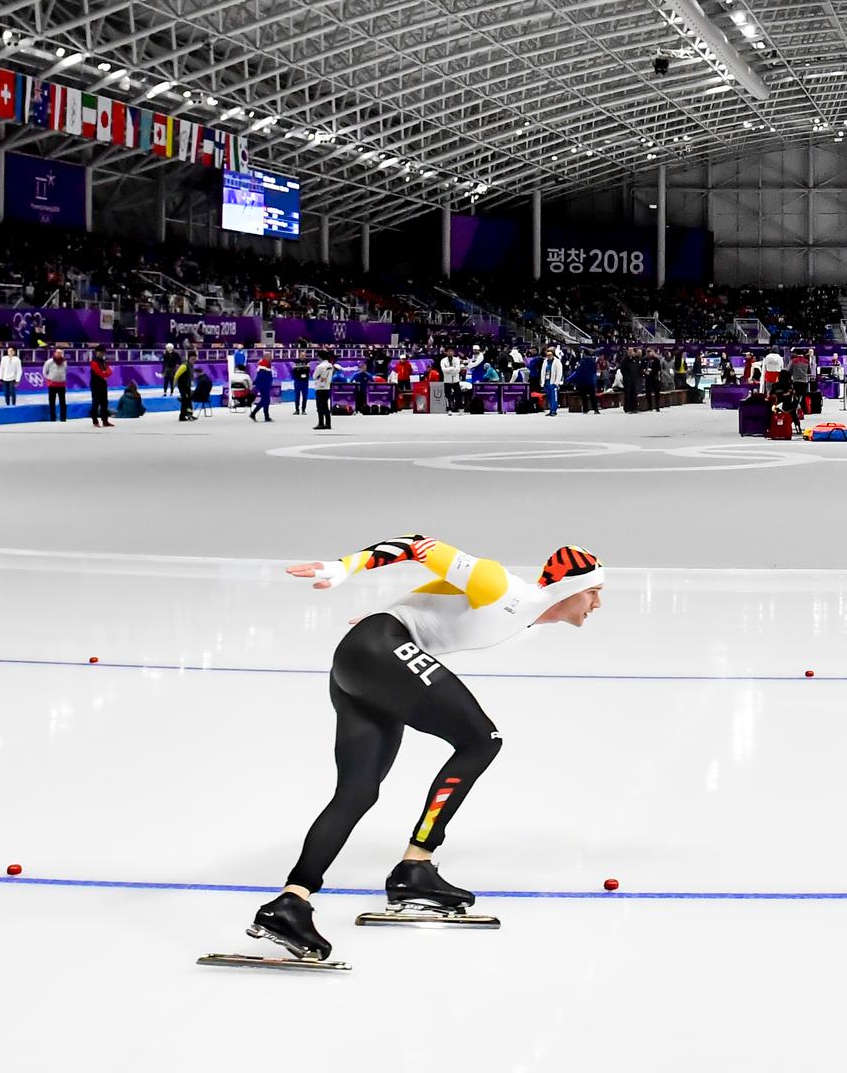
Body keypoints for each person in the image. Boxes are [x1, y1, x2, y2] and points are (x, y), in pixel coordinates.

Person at [246, 536, 605, 962]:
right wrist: (345, 566)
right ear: (566, 588)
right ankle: (415, 867)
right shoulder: (502, 587)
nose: (597, 604)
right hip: (379, 651)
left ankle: (290, 903)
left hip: (366, 658)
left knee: (359, 792)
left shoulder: (526, 624)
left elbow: (436, 604)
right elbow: (418, 545)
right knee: (480, 741)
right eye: (593, 592)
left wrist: (387, 615)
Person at [87, 349, 114, 428]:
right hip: (95, 385)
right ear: (97, 352)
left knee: (104, 403)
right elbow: (98, 372)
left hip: (103, 384)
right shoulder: (94, 362)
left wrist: (105, 374)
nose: (102, 354)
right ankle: (95, 420)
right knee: (96, 402)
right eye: (101, 352)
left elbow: (110, 371)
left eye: (103, 352)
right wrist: (105, 374)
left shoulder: (103, 361)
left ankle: (105, 420)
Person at [42, 348, 69, 422]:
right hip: (52, 385)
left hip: (61, 385)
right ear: (55, 353)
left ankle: (63, 418)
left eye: (61, 353)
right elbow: (44, 372)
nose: (59, 354)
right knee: (52, 402)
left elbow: (65, 370)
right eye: (58, 353)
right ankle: (52, 418)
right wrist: (49, 379)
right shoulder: (49, 362)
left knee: (63, 402)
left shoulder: (64, 362)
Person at [312, 350, 336, 430]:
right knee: (325, 406)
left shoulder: (320, 366)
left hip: (320, 388)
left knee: (319, 406)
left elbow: (314, 376)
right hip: (327, 387)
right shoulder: (330, 365)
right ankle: (328, 423)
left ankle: (321, 423)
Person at [250, 353, 276, 423]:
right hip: (263, 385)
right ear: (265, 358)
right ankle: (261, 415)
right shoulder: (263, 365)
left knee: (265, 400)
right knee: (265, 400)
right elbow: (260, 376)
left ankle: (258, 414)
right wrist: (255, 383)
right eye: (270, 357)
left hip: (266, 385)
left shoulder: (267, 364)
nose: (271, 358)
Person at [540, 347, 562, 416]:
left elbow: (559, 372)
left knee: (554, 397)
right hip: (547, 382)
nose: (548, 356)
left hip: (553, 382)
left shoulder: (557, 362)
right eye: (547, 355)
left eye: (550, 355)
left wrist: (556, 382)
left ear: (553, 355)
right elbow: (542, 372)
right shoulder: (545, 362)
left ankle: (554, 410)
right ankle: (550, 410)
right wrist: (542, 382)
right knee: (549, 397)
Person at [176, 353, 197, 422]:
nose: (194, 361)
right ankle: (182, 416)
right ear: (189, 358)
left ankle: (189, 414)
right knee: (185, 400)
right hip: (182, 386)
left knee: (189, 400)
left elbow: (190, 375)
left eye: (195, 359)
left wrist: (192, 381)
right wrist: (174, 384)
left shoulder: (191, 365)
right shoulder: (184, 365)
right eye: (192, 359)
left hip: (187, 386)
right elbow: (176, 375)